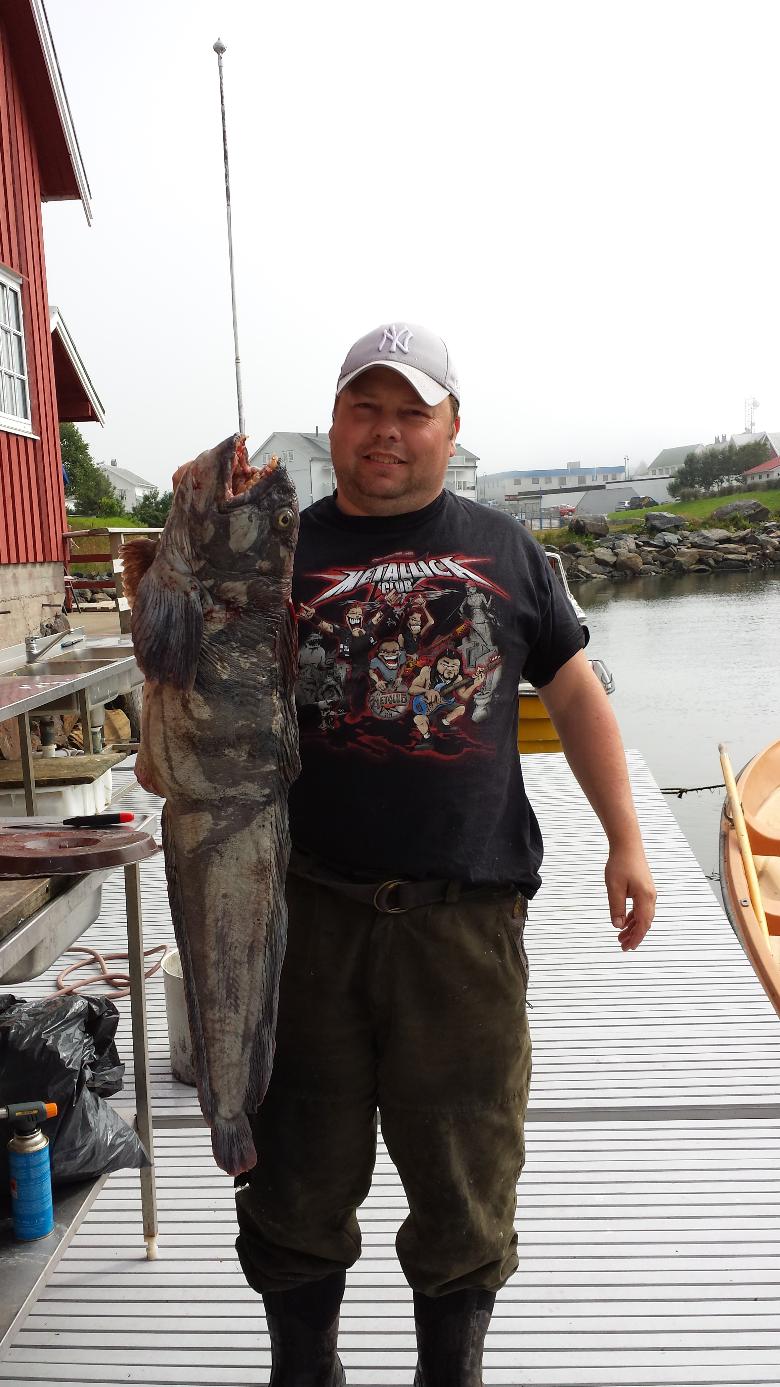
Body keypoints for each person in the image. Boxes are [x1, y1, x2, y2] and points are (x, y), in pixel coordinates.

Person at [233, 323, 657, 1386]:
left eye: (411, 412)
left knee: (467, 1174)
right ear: (334, 422)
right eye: (365, 408)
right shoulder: (273, 556)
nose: (386, 431)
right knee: (295, 1170)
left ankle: (450, 1372)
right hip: (301, 918)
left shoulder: (508, 549)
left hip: (464, 923)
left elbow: (575, 694)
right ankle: (305, 1370)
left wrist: (627, 839)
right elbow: (196, 702)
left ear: (452, 427)